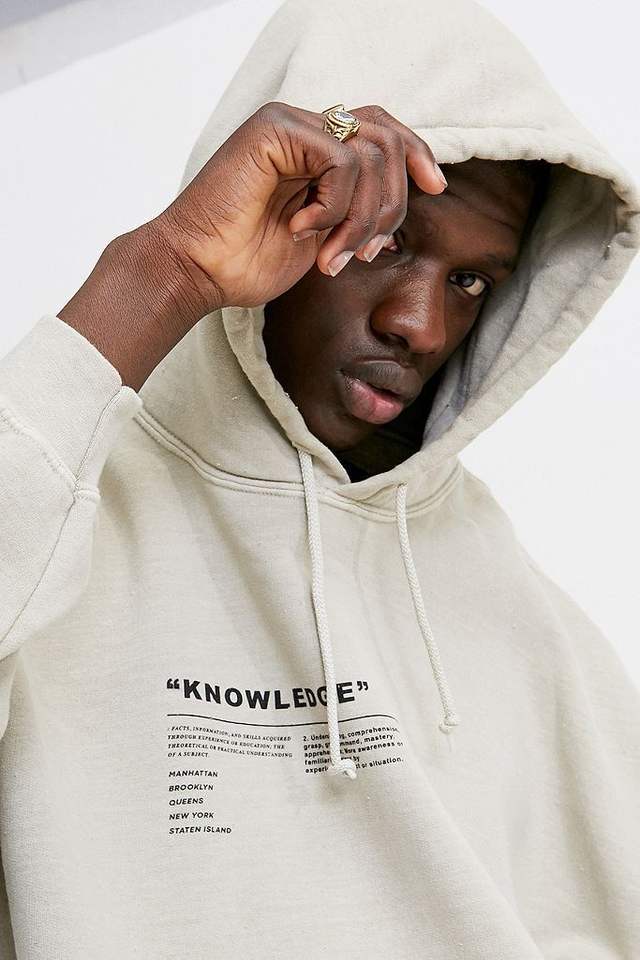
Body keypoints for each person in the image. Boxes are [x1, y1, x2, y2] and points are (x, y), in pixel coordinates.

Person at [1, 0, 639, 956]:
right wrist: (168, 269)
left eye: (472, 282)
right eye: (383, 242)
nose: (420, 326)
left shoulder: (507, 597)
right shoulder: (61, 497)